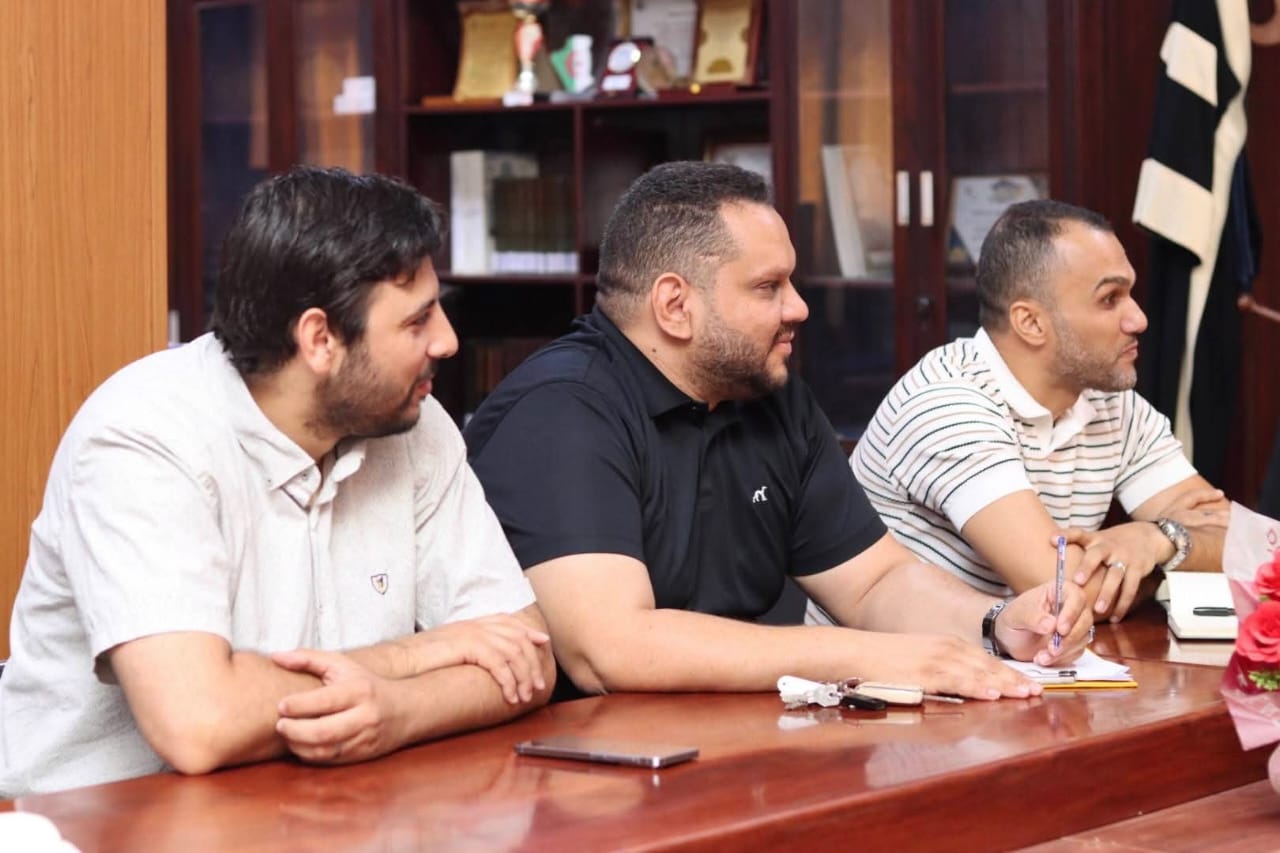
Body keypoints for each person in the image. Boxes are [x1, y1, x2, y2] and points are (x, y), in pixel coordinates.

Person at [0, 167, 554, 797]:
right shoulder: (143, 436)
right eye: (416, 321)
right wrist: (413, 659)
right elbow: (200, 725)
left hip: (315, 811)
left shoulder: (412, 421)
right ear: (319, 338)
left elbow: (527, 659)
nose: (448, 342)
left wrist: (399, 713)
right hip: (94, 824)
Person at [464, 161, 1090, 704]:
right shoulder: (561, 409)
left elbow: (873, 580)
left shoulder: (769, 392)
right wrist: (865, 658)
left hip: (733, 736)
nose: (799, 307)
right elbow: (612, 650)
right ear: (675, 305)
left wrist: (995, 622)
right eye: (768, 287)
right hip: (580, 777)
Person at [847, 199, 1226, 627]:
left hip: (1022, 666)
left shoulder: (1110, 402)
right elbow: (1061, 591)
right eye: (1109, 299)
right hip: (881, 681)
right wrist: (1174, 564)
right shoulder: (948, 403)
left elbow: (1246, 545)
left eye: (1130, 294)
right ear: (1030, 323)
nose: (1138, 318)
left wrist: (1160, 538)